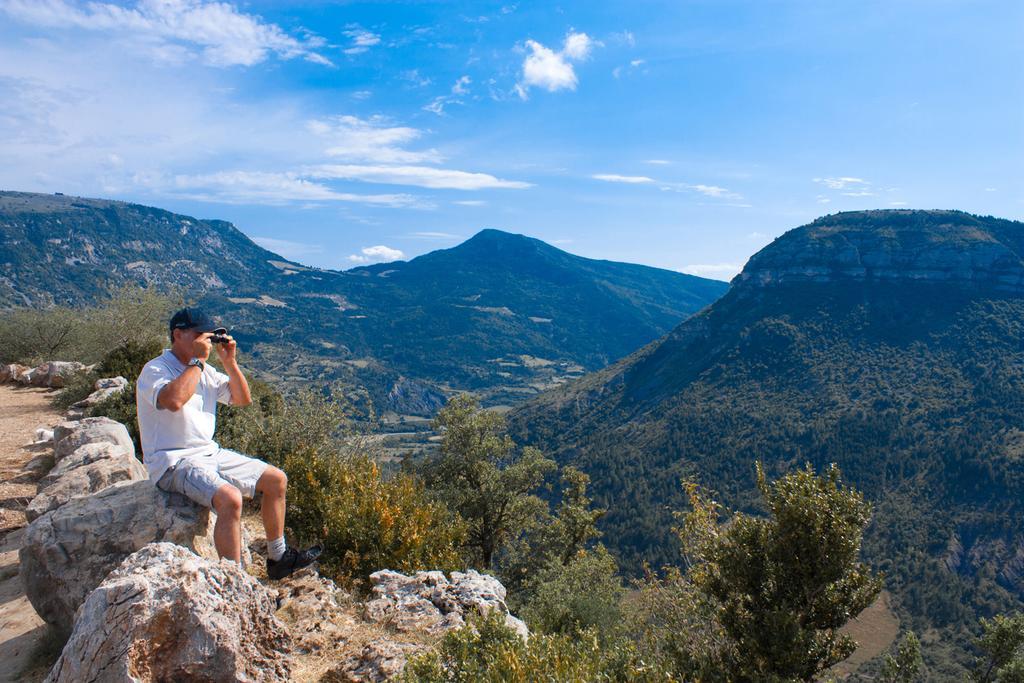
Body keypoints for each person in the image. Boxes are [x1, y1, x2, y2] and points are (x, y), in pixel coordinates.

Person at [136, 307, 320, 579]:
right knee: (231, 499)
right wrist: (197, 363)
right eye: (200, 335)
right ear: (178, 334)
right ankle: (238, 581)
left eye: (209, 337)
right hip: (172, 461)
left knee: (276, 480)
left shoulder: (205, 371)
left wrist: (230, 363)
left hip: (208, 453)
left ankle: (278, 557)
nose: (206, 342)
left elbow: (243, 399)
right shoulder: (156, 369)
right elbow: (173, 401)